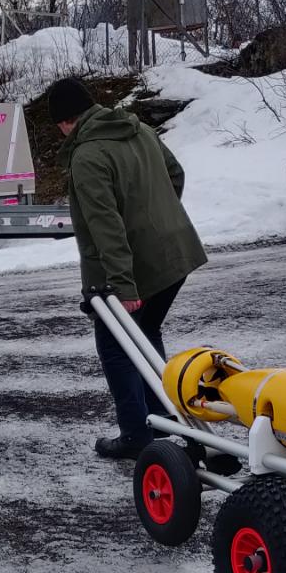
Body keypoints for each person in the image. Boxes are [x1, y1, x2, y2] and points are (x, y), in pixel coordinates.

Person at [49, 76, 207, 458]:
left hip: (134, 271)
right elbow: (176, 174)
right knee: (145, 333)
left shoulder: (87, 156)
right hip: (175, 253)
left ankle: (137, 434)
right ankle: (163, 418)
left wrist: (123, 285)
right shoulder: (139, 130)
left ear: (64, 121)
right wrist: (157, 217)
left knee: (116, 345)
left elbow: (106, 227)